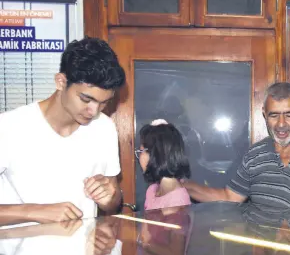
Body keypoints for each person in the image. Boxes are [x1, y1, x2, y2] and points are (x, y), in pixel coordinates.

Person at [0, 37, 126, 226]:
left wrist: (110, 198)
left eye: (104, 102)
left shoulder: (104, 127)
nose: (94, 111)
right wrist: (35, 211)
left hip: (83, 254)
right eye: (85, 99)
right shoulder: (9, 127)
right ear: (61, 82)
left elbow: (113, 204)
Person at [183, 82, 290, 216]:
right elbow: (229, 197)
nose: (281, 124)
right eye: (274, 115)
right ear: (264, 114)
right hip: (263, 253)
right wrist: (183, 185)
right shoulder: (254, 156)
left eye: (289, 115)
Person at [136, 119, 192, 210]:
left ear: (157, 154)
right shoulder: (152, 190)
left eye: (141, 151)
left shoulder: (176, 203)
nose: (139, 155)